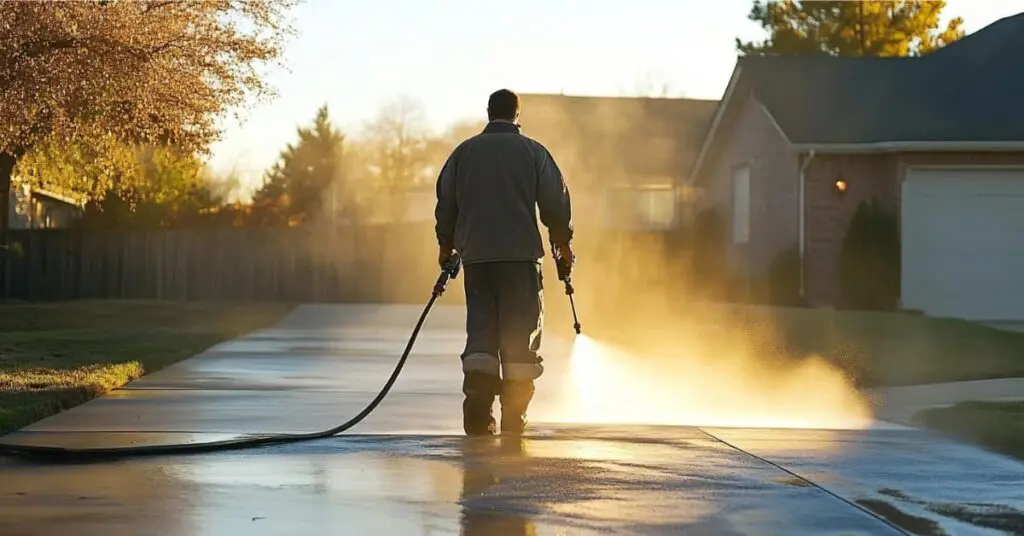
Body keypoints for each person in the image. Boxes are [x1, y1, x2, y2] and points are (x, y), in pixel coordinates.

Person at [434, 88, 574, 436]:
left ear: (488, 112)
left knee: (481, 336)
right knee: (520, 342)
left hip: (478, 261)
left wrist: (446, 246)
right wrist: (563, 245)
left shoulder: (463, 153)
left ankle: (478, 418)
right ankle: (514, 418)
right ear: (517, 115)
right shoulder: (534, 152)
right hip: (522, 261)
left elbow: (446, 203)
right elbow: (555, 204)